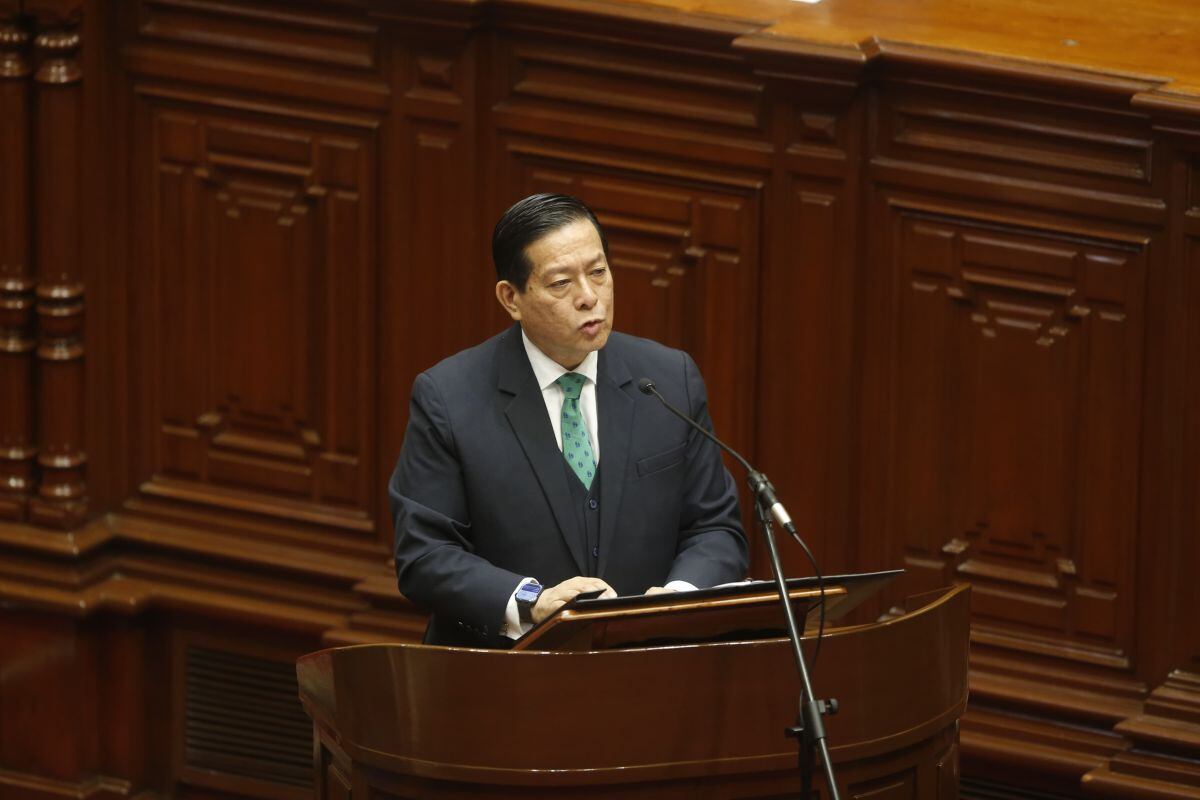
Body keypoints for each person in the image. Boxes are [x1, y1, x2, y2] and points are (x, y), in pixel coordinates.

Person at [390, 193, 748, 648]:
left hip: (649, 669)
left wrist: (676, 601)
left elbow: (715, 528)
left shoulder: (668, 379)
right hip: (504, 679)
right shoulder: (449, 398)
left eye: (598, 273)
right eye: (561, 283)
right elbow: (424, 554)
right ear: (511, 298)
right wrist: (530, 602)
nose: (589, 297)